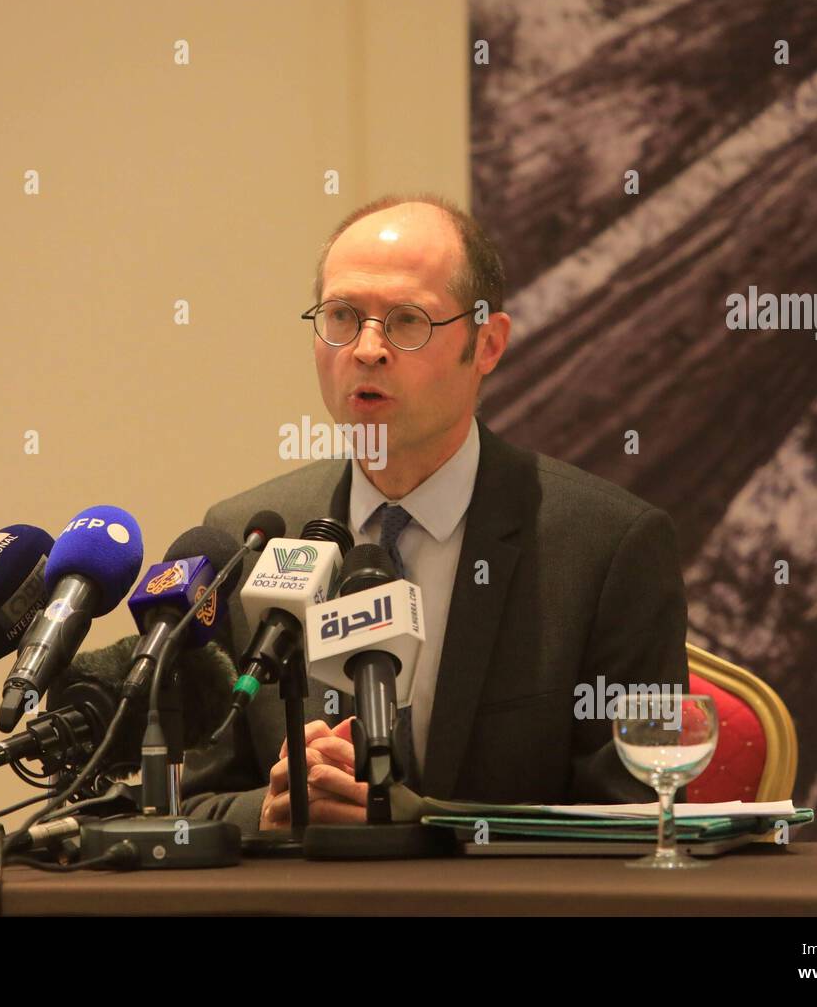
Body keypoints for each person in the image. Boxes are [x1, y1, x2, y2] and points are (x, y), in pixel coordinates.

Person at [179, 193, 689, 834]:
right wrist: (275, 811)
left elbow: (640, 816)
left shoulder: (607, 549)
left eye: (407, 322)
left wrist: (423, 826)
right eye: (341, 316)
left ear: (487, 344)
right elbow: (189, 806)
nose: (366, 349)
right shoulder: (249, 536)